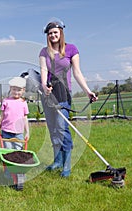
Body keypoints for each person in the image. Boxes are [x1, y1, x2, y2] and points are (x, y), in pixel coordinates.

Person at [39, 19, 97, 177]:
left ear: (61, 33)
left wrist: (88, 91)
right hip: (49, 95)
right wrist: (44, 86)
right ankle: (57, 161)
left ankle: (66, 165)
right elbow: (43, 71)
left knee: (62, 128)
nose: (53, 35)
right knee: (53, 129)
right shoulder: (44, 52)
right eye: (50, 33)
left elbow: (77, 72)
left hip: (63, 94)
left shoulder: (71, 49)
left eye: (55, 32)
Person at [0, 77, 30, 150]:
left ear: (23, 90)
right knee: (8, 150)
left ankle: (17, 161)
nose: (16, 92)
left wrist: (27, 131)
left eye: (19, 90)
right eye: (14, 89)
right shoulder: (6, 101)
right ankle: (8, 161)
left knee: (18, 150)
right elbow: (2, 116)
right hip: (6, 131)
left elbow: (25, 118)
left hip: (18, 132)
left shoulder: (23, 103)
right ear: (10, 88)